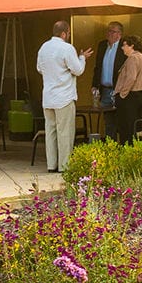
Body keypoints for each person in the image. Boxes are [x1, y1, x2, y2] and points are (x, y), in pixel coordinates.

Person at [36, 19, 93, 174]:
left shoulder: (44, 48)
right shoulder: (67, 48)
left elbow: (40, 69)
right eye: (68, 33)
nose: (68, 35)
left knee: (51, 132)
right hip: (64, 97)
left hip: (48, 97)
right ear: (64, 33)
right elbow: (78, 70)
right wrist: (82, 58)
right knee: (65, 132)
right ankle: (64, 166)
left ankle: (51, 164)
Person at [113, 35, 142, 145]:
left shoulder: (133, 58)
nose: (122, 48)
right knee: (135, 127)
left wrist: (122, 94)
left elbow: (131, 77)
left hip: (131, 97)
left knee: (127, 127)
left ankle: (127, 149)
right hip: (140, 96)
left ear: (132, 46)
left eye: (124, 45)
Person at [91, 21, 126, 140]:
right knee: (108, 122)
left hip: (119, 90)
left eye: (113, 31)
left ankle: (121, 148)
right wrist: (94, 85)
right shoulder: (102, 45)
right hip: (105, 90)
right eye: (108, 31)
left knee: (120, 120)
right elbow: (97, 67)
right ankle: (110, 147)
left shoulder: (124, 47)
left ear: (119, 34)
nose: (109, 34)